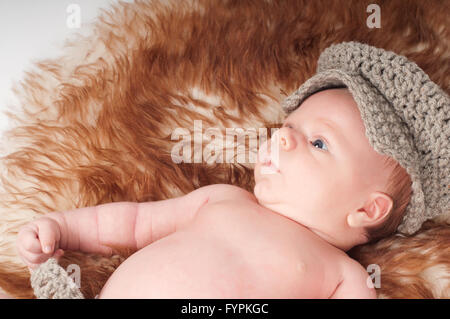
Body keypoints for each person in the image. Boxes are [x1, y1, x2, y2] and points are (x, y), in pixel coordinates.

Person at [16, 42, 449, 298]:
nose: (282, 138)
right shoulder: (223, 198)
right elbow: (133, 222)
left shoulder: (344, 276)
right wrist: (62, 230)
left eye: (319, 142)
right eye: (288, 127)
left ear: (368, 210)